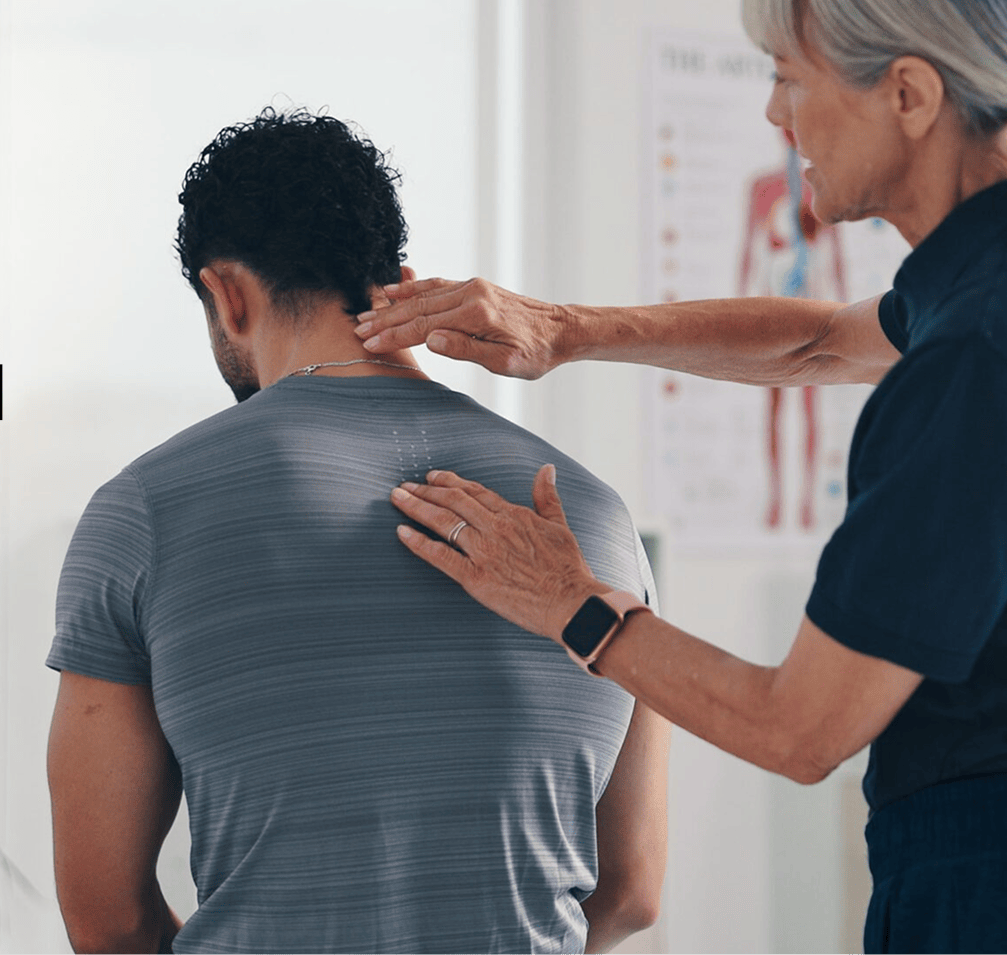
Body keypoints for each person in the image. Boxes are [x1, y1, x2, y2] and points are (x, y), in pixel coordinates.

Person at [356, 0, 1007, 952]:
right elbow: (820, 341)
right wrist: (567, 330)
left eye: (790, 78)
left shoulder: (982, 355)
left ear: (908, 94)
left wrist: (568, 600)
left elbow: (800, 729)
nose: (775, 117)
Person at [45, 108, 668, 955]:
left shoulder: (146, 510)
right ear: (398, 278)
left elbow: (107, 917)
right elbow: (630, 890)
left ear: (226, 292)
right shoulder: (597, 515)